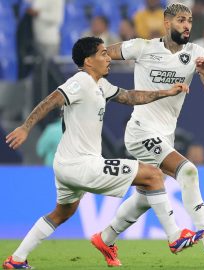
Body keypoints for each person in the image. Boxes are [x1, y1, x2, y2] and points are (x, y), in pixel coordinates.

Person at [2, 36, 193, 269]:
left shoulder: (100, 85)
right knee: (153, 175)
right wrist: (26, 127)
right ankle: (174, 237)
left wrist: (165, 92)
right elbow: (52, 99)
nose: (108, 57)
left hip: (66, 165)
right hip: (81, 164)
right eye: (103, 53)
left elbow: (130, 96)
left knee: (62, 213)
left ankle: (17, 259)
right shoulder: (80, 81)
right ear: (88, 61)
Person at [96, 3, 204, 265]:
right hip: (140, 131)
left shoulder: (196, 52)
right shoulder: (143, 47)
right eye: (182, 20)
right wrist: (90, 76)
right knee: (188, 171)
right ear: (167, 23)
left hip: (165, 136)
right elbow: (103, 54)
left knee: (144, 197)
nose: (187, 25)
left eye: (190, 21)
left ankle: (105, 239)